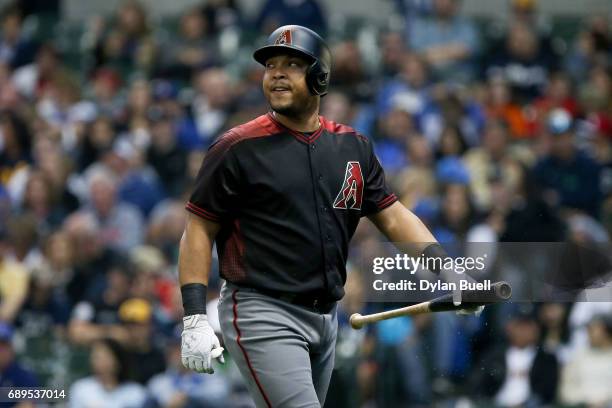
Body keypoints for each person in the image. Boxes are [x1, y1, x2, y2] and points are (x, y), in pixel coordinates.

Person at [178, 25, 481, 407]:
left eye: (292, 64)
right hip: (262, 310)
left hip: (326, 317)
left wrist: (448, 271)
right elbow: (199, 228)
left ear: (320, 76)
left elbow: (393, 217)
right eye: (270, 65)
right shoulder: (236, 147)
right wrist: (193, 317)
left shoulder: (352, 146)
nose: (277, 73)